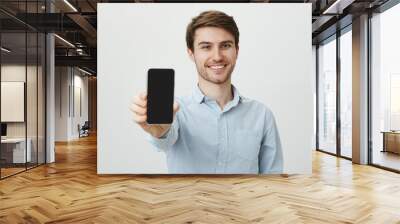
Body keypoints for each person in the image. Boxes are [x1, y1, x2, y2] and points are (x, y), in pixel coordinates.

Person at [131, 10, 283, 174]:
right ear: (191, 53)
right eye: (206, 47)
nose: (217, 56)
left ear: (236, 51)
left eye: (225, 46)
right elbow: (164, 141)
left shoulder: (262, 114)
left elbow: (272, 177)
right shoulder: (175, 110)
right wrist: (160, 133)